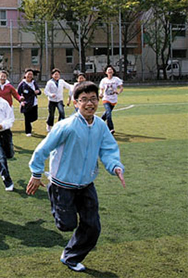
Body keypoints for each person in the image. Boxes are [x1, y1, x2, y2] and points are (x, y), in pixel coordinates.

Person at [26, 81, 126, 272]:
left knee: (93, 227)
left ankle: (70, 257)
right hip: (62, 184)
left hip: (86, 184)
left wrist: (115, 166)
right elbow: (42, 149)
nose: (90, 104)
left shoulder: (100, 126)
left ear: (98, 100)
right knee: (67, 225)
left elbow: (108, 149)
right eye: (84, 100)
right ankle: (53, 195)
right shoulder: (66, 126)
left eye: (93, 99)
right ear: (75, 102)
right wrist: (36, 174)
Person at [44, 68, 72, 132]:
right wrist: (51, 94)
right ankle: (49, 125)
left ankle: (60, 125)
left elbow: (69, 86)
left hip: (59, 100)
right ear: (52, 75)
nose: (57, 76)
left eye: (58, 74)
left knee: (62, 112)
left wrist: (76, 86)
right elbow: (46, 91)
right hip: (52, 101)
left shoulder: (61, 81)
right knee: (51, 114)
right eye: (55, 74)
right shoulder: (50, 82)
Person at [99, 65, 124, 134]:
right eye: (108, 70)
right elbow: (101, 89)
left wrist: (118, 92)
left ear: (113, 71)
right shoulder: (104, 80)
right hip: (106, 99)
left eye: (111, 70)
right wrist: (100, 94)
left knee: (106, 114)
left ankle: (97, 123)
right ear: (106, 72)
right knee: (109, 113)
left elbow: (121, 87)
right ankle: (111, 128)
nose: (109, 71)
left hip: (113, 100)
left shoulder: (116, 79)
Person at [17, 68, 42, 137]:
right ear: (25, 75)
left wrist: (38, 92)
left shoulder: (34, 83)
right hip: (26, 103)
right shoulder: (22, 84)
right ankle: (28, 131)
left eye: (31, 74)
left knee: (34, 117)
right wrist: (21, 101)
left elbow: (39, 91)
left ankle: (29, 122)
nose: (30, 76)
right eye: (28, 74)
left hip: (34, 103)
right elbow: (18, 94)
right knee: (27, 118)